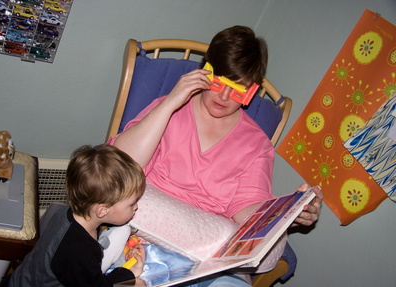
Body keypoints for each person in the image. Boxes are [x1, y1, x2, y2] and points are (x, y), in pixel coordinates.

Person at [109, 25, 323, 286]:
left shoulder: (257, 144)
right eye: (219, 82)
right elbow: (118, 164)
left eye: (238, 89)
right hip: (144, 236)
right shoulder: (170, 109)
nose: (223, 96)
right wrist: (170, 103)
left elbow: (248, 208)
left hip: (204, 257)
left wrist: (289, 213)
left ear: (252, 91)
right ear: (204, 71)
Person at [7, 145, 147, 287]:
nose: (136, 207)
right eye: (132, 204)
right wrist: (127, 275)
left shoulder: (65, 213)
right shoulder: (80, 251)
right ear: (102, 211)